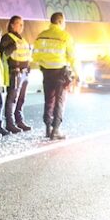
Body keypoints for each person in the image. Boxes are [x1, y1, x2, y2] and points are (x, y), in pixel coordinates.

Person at [32, 12, 76, 140]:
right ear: (61, 22)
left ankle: (47, 128)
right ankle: (56, 129)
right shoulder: (65, 36)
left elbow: (35, 56)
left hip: (47, 72)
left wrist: (44, 65)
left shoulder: (41, 36)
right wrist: (78, 73)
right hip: (61, 73)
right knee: (59, 101)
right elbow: (72, 57)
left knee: (48, 100)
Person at [0, 15, 33, 133]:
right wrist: (12, 47)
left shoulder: (22, 39)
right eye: (19, 23)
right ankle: (10, 123)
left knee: (21, 98)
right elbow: (3, 54)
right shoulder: (7, 38)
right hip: (15, 72)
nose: (22, 26)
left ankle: (19, 121)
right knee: (12, 98)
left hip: (24, 73)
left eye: (23, 24)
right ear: (12, 25)